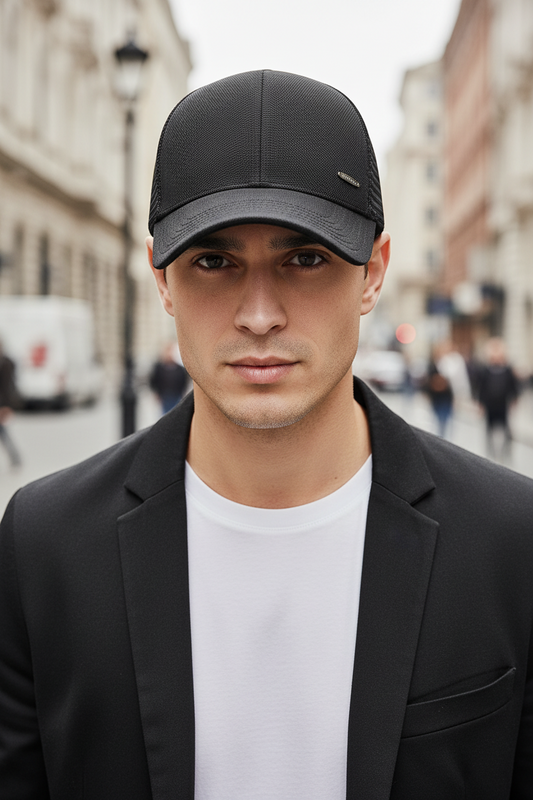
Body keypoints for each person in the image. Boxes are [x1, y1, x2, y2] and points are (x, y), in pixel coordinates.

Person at [0, 70, 532, 800]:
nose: (258, 314)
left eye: (305, 258)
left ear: (373, 272)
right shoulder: (47, 543)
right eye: (213, 261)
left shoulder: (509, 539)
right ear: (161, 278)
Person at [478, 337, 519, 459]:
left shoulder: (507, 370)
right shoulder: (486, 370)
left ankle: (505, 452)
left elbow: (513, 386)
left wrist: (515, 400)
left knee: (505, 429)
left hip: (503, 404)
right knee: (489, 430)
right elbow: (482, 387)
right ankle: (491, 452)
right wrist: (480, 403)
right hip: (490, 404)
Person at [149, 341, 189, 414]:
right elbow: (153, 380)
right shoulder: (159, 367)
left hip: (176, 395)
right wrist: (156, 393)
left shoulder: (179, 368)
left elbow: (183, 380)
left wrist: (183, 392)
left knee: (176, 413)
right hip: (164, 395)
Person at [0, 341, 21, 468]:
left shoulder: (7, 363)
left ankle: (15, 457)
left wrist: (6, 406)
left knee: (3, 433)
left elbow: (9, 387)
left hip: (2, 403)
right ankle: (15, 458)